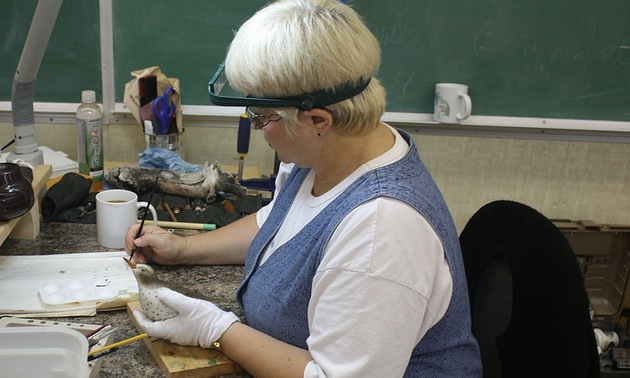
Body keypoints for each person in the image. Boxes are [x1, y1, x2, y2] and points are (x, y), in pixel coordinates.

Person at [126, 0, 482, 376]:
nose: (256, 124)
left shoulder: (382, 231)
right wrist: (182, 249)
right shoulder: (335, 151)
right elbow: (279, 224)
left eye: (261, 115)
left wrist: (217, 330)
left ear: (317, 119)